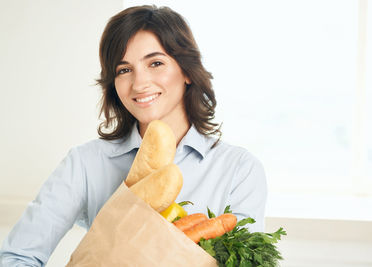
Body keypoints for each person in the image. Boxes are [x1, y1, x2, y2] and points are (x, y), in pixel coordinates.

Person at [0, 5, 267, 266]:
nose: (139, 83)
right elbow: (17, 257)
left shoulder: (238, 170)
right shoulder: (85, 163)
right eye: (124, 70)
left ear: (186, 70)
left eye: (156, 63)